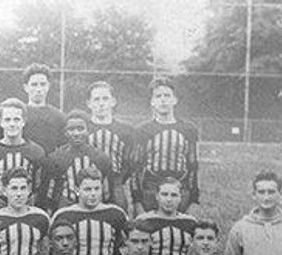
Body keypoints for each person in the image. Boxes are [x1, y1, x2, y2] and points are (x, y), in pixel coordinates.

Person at [132, 76, 199, 217]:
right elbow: (136, 169)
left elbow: (193, 166)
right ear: (152, 102)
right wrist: (137, 202)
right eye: (158, 96)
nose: (163, 99)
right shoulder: (143, 130)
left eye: (167, 95)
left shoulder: (188, 129)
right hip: (151, 189)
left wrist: (194, 201)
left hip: (180, 187)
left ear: (175, 100)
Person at [0, 98, 45, 212]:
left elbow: (39, 186)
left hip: (27, 206)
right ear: (0, 122)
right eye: (7, 120)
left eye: (16, 119)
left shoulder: (36, 152)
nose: (12, 124)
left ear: (24, 121)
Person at [51, 167, 128, 255]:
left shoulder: (116, 214)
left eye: (97, 189)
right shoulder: (64, 215)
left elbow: (126, 246)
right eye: (87, 189)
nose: (93, 194)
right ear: (77, 190)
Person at [42, 110, 118, 211]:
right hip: (66, 210)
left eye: (80, 129)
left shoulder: (100, 158)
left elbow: (108, 194)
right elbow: (49, 195)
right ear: (65, 132)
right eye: (71, 129)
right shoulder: (56, 158)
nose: (76, 133)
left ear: (88, 131)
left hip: (95, 210)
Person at [86, 81, 136, 211]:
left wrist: (119, 179)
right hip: (87, 183)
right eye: (96, 99)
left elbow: (129, 162)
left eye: (105, 98)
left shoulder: (126, 130)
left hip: (116, 183)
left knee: (119, 220)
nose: (101, 103)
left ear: (113, 101)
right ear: (89, 104)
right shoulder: (82, 129)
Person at [0, 167, 50, 255]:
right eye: (14, 188)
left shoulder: (41, 217)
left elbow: (45, 253)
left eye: (23, 188)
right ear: (4, 191)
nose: (19, 194)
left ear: (29, 190)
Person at [135, 178, 197, 255]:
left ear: (180, 198)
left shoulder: (190, 222)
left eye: (174, 195)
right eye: (164, 194)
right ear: (157, 196)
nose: (169, 199)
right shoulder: (144, 220)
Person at [21, 63, 66, 153]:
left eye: (42, 84)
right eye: (34, 84)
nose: (39, 89)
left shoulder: (59, 116)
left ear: (48, 86)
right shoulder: (19, 114)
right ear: (26, 87)